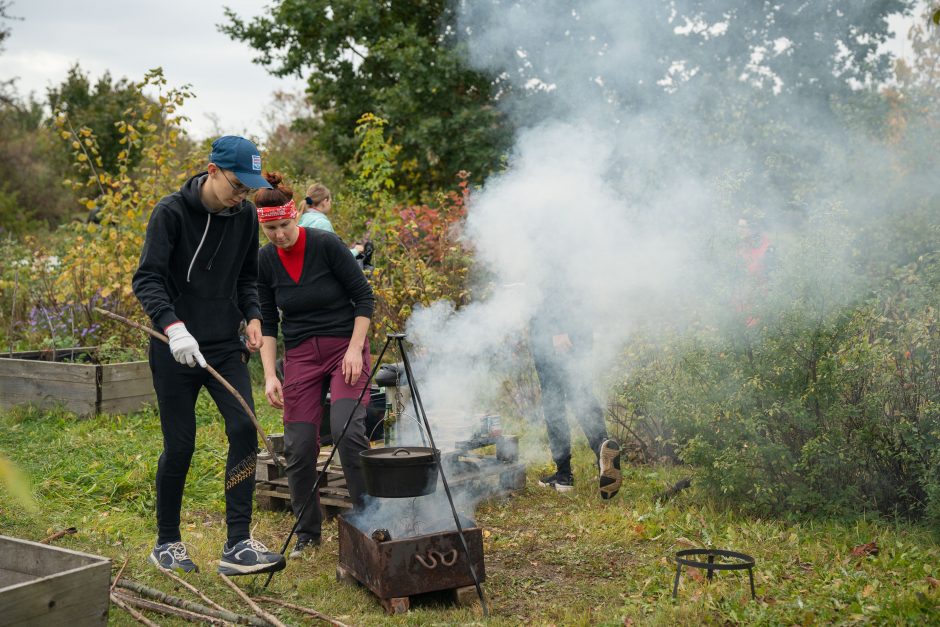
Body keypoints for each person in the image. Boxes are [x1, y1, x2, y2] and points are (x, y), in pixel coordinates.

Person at [132, 136, 286, 576]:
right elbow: (147, 278)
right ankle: (168, 543)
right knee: (180, 446)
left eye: (247, 188)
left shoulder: (242, 218)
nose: (241, 195)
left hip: (222, 344)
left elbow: (247, 277)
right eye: (237, 185)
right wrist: (172, 326)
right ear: (213, 170)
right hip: (174, 346)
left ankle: (237, 544)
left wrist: (253, 315)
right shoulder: (171, 213)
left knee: (242, 428)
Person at [256, 172, 375, 558]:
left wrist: (356, 350)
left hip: (346, 346)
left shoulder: (325, 244)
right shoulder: (265, 260)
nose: (278, 235)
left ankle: (367, 522)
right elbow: (268, 322)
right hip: (302, 355)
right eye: (270, 228)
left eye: (284, 225)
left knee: (347, 430)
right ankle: (308, 532)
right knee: (299, 444)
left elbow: (363, 298)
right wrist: (271, 373)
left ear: (296, 217)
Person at [531, 299, 622, 500]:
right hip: (579, 328)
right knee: (580, 393)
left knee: (554, 402)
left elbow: (553, 282)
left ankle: (563, 476)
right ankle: (602, 447)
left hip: (555, 333)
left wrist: (558, 329)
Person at [299, 183, 365, 256]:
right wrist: (356, 251)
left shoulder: (299, 218)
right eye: (330, 201)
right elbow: (337, 256)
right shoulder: (323, 224)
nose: (330, 203)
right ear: (324, 202)